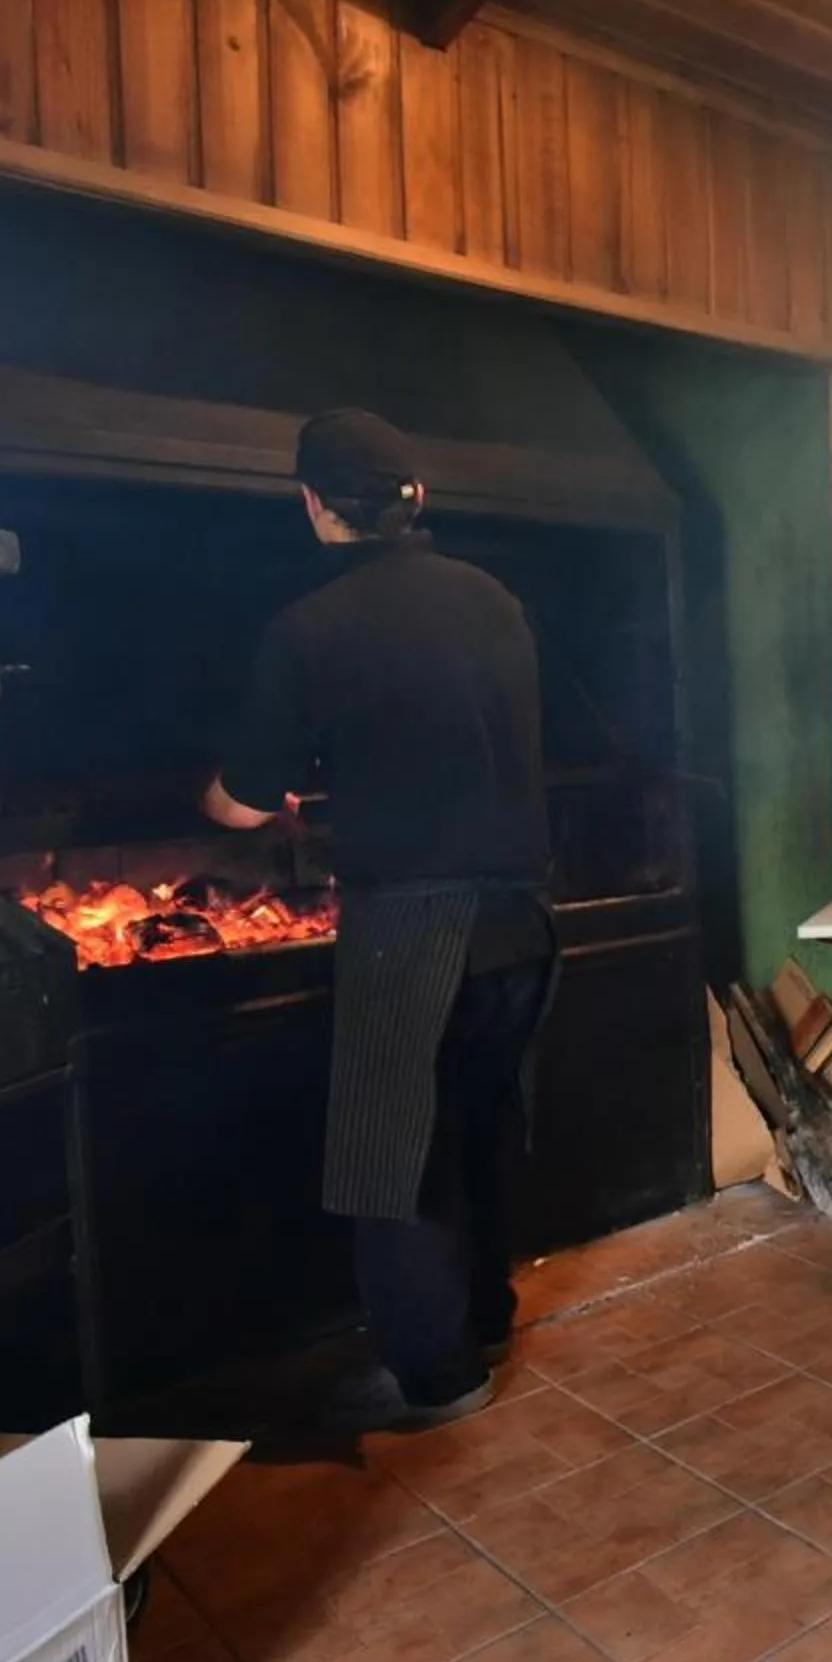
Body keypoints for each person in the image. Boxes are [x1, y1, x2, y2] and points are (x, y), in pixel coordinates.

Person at [204, 409, 557, 1432]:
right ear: (418, 502)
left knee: (394, 1156)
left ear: (313, 507)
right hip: (522, 918)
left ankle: (438, 1376)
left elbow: (248, 797)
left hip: (411, 923)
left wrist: (214, 800)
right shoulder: (496, 602)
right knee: (479, 1128)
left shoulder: (310, 629)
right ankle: (485, 1319)